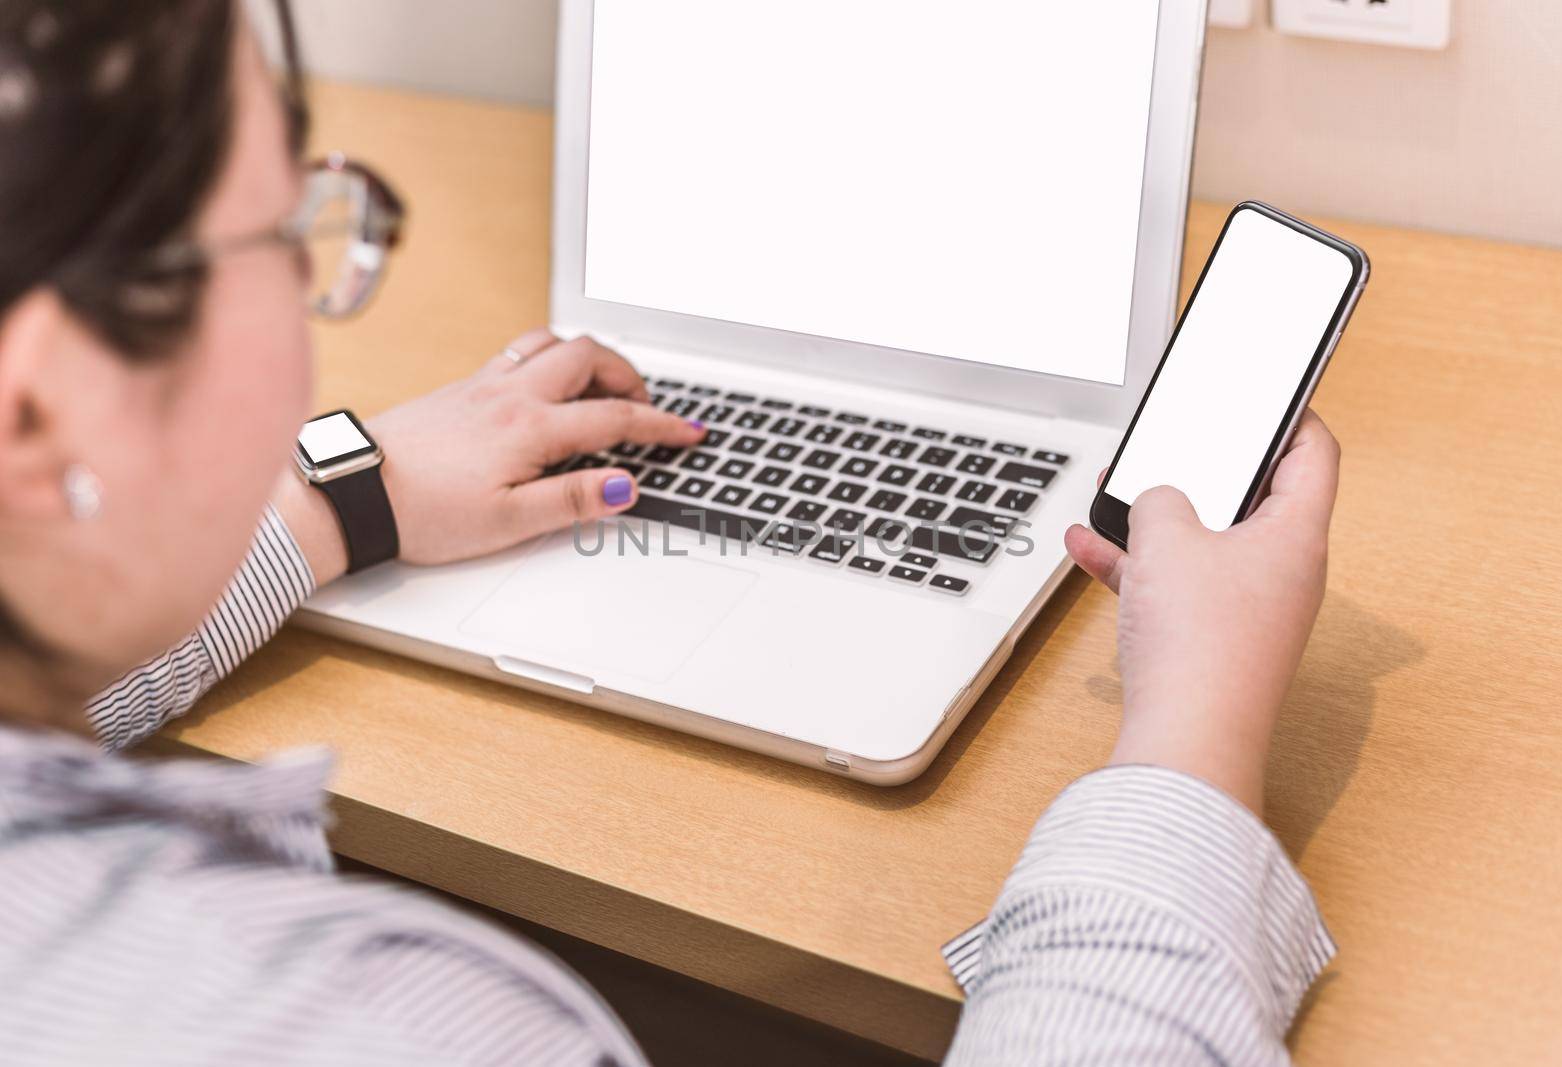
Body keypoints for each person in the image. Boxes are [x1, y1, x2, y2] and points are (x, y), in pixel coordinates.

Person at [0, 3, 1340, 1064]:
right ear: (37, 408)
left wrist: (350, 493)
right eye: (279, 241)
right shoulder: (393, 1029)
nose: (315, 301)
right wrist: (1195, 741)